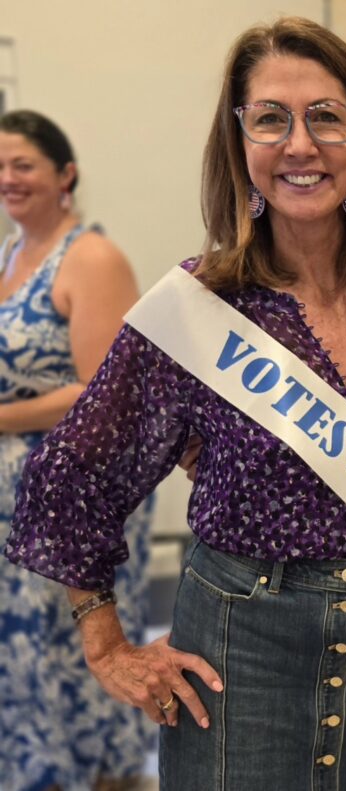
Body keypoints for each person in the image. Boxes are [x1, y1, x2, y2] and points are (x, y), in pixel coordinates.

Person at [5, 17, 346, 791]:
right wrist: (107, 643)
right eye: (269, 118)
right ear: (240, 142)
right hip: (239, 651)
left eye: (326, 115)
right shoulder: (197, 306)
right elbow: (72, 475)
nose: (300, 145)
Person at [0, 110, 153, 791]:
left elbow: (102, 390)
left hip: (71, 503)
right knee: (21, 662)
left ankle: (99, 779)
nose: (8, 179)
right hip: (14, 507)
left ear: (65, 175)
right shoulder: (9, 254)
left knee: (70, 660)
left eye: (23, 164)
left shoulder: (90, 257)